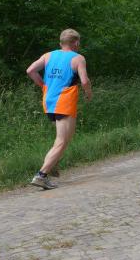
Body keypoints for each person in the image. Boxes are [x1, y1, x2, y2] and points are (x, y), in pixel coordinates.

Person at [25, 29, 92, 189]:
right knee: (62, 141)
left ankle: (52, 164)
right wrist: (89, 93)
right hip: (64, 101)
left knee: (63, 138)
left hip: (49, 100)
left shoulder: (48, 55)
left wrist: (43, 85)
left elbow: (30, 70)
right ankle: (41, 175)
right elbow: (84, 81)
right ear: (76, 42)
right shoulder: (78, 58)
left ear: (61, 42)